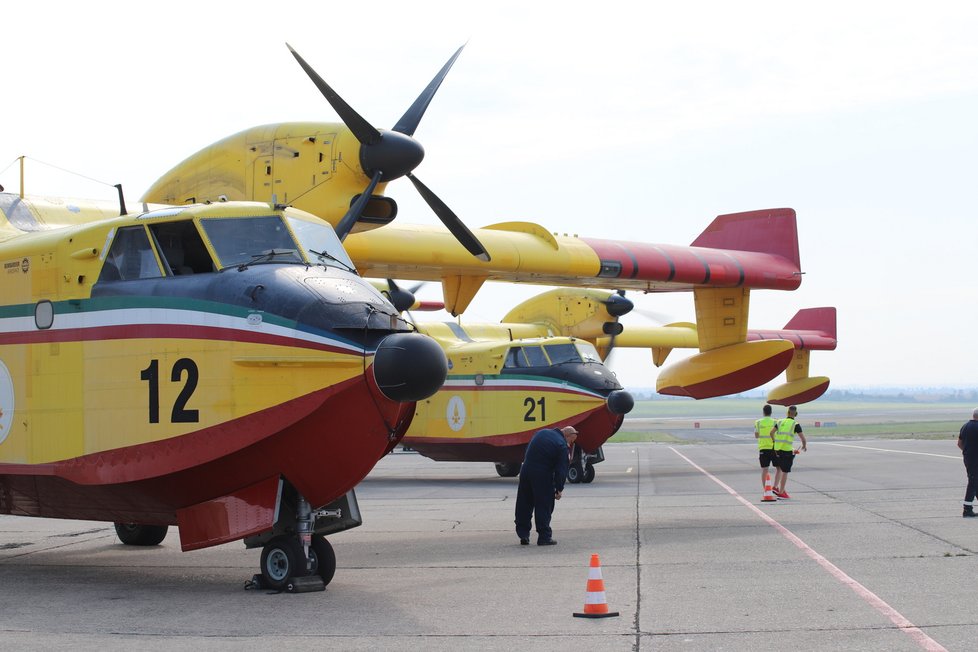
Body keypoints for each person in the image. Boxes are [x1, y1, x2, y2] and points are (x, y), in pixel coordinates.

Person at [514, 426, 577, 546]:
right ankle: (544, 537)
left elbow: (528, 450)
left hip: (526, 471)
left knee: (524, 503)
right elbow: (561, 470)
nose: (570, 444)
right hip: (542, 475)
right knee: (544, 505)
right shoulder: (561, 445)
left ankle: (523, 534)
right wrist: (559, 489)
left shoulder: (541, 433)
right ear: (567, 436)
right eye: (571, 440)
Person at [772, 405, 807, 499]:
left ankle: (775, 487)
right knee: (785, 471)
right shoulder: (795, 424)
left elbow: (771, 433)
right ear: (796, 414)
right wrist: (804, 446)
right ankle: (781, 492)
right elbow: (803, 439)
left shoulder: (779, 421)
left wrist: (775, 441)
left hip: (776, 449)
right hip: (786, 451)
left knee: (779, 469)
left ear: (787, 413)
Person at [957, 407, 978, 518]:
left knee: (975, 481)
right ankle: (967, 510)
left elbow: (959, 443)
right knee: (973, 482)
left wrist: (967, 452)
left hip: (968, 458)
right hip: (976, 459)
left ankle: (968, 508)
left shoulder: (965, 426)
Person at [754, 404, 778, 492]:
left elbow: (756, 435)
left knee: (765, 469)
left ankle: (766, 489)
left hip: (763, 448)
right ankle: (775, 486)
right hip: (774, 447)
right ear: (771, 412)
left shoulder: (758, 422)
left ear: (763, 412)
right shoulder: (776, 421)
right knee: (778, 468)